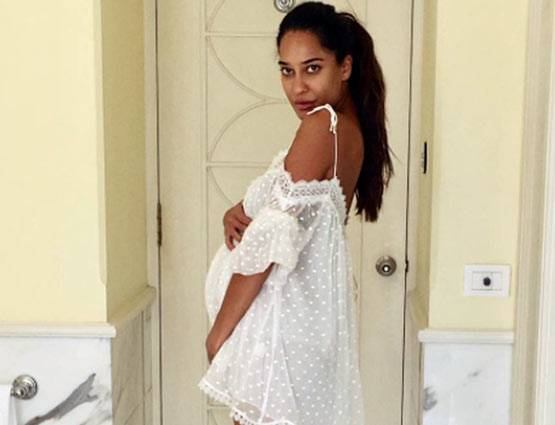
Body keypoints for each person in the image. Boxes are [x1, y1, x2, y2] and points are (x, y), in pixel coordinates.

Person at [198, 2, 394, 424]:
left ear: (345, 67)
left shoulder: (323, 126)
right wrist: (236, 211)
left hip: (281, 336)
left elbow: (271, 240)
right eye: (287, 71)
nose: (298, 87)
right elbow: (289, 212)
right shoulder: (346, 128)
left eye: (312, 68)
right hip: (296, 333)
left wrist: (219, 334)